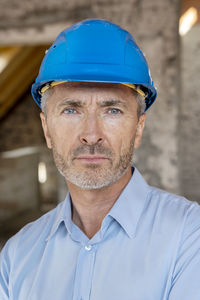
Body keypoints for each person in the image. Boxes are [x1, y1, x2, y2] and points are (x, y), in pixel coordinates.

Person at [0, 19, 200, 300]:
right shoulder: (17, 256)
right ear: (47, 129)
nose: (91, 135)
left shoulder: (190, 237)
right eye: (71, 110)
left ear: (138, 127)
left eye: (113, 111)